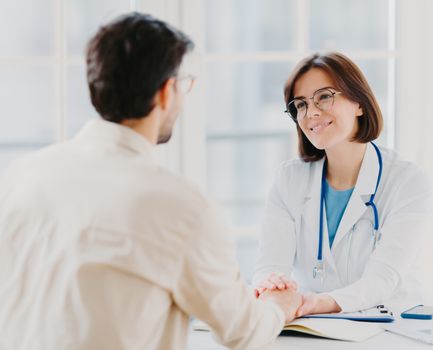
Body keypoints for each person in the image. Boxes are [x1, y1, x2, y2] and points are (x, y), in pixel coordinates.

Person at [0, 13, 301, 350]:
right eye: (183, 83)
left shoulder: (21, 175)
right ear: (165, 92)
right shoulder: (180, 205)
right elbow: (242, 331)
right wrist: (278, 306)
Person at [253, 52, 431, 317]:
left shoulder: (406, 181)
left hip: (389, 329)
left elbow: (382, 279)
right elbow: (269, 264)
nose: (311, 112)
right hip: (314, 327)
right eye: (300, 104)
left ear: (359, 103)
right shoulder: (289, 179)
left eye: (324, 96)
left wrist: (315, 303)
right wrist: (271, 284)